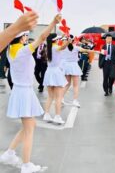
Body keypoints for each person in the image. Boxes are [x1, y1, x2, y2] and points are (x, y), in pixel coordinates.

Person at [0, 14, 61, 173]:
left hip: (21, 91)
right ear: (21, 38)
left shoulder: (10, 51)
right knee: (29, 130)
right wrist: (53, 22)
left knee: (30, 125)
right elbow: (42, 37)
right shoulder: (23, 51)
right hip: (24, 91)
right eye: (26, 36)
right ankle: (26, 165)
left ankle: (9, 153)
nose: (27, 38)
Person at [61, 35, 98, 107]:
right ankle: (74, 100)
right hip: (74, 66)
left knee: (67, 84)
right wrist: (97, 52)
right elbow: (87, 50)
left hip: (66, 67)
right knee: (75, 85)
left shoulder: (63, 48)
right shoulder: (75, 47)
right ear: (72, 41)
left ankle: (61, 98)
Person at [43, 34, 70, 124]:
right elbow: (62, 47)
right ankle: (57, 116)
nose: (59, 40)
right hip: (56, 72)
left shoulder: (48, 48)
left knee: (50, 96)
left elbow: (61, 47)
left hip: (49, 72)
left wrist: (64, 39)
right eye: (58, 39)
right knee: (58, 97)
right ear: (55, 40)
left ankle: (46, 114)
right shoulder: (55, 48)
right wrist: (68, 41)